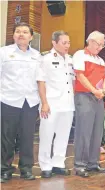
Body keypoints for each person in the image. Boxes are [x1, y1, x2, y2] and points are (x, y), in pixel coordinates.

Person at [1, 22, 41, 183]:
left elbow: (41, 80)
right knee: (6, 137)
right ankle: (4, 169)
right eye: (18, 31)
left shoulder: (37, 56)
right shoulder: (4, 52)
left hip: (30, 102)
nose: (21, 34)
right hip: (8, 100)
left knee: (27, 137)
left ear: (31, 37)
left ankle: (26, 169)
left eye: (25, 32)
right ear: (13, 35)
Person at [36, 31, 74, 178]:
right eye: (64, 42)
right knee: (46, 135)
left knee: (63, 136)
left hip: (68, 104)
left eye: (69, 42)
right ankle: (45, 165)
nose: (67, 46)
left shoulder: (70, 59)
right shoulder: (45, 58)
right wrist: (44, 103)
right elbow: (41, 82)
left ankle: (58, 163)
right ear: (54, 43)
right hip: (51, 104)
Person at [72, 31, 105, 177]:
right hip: (84, 96)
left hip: (98, 97)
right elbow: (80, 76)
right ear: (90, 41)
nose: (100, 47)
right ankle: (80, 165)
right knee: (84, 131)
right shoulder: (79, 55)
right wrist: (94, 90)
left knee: (97, 131)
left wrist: (103, 91)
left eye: (102, 45)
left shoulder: (101, 60)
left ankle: (93, 163)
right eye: (98, 44)